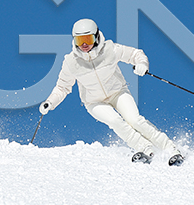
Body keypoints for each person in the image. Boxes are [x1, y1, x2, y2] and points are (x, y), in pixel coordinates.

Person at [40, 18, 185, 166]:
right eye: (79, 40)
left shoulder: (109, 49)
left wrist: (141, 64)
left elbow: (135, 54)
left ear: (96, 37)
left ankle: (172, 149)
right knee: (115, 121)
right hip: (94, 102)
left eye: (88, 39)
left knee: (135, 120)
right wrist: (50, 102)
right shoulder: (71, 62)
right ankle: (145, 149)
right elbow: (62, 87)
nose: (84, 44)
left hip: (118, 93)